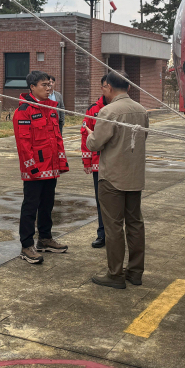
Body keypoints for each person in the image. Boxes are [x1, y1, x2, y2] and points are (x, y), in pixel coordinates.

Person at [85, 70, 149, 289]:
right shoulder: (142, 110)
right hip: (134, 176)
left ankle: (115, 274)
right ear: (129, 87)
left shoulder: (107, 111)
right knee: (135, 224)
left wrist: (89, 133)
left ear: (109, 88)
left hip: (112, 177)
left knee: (113, 226)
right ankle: (135, 271)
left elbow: (95, 144)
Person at [13, 70, 69, 264]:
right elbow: (24, 144)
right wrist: (32, 168)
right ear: (32, 87)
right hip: (35, 171)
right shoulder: (24, 111)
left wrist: (61, 162)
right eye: (44, 85)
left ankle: (44, 239)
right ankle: (26, 245)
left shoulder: (51, 109)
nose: (49, 88)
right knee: (31, 207)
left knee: (47, 205)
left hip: (51, 168)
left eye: (50, 84)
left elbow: (57, 138)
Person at [80, 74, 110, 249]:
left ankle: (117, 235)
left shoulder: (120, 109)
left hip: (117, 164)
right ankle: (102, 234)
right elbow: (85, 135)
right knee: (102, 201)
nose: (107, 90)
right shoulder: (93, 110)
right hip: (99, 165)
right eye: (105, 86)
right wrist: (87, 162)